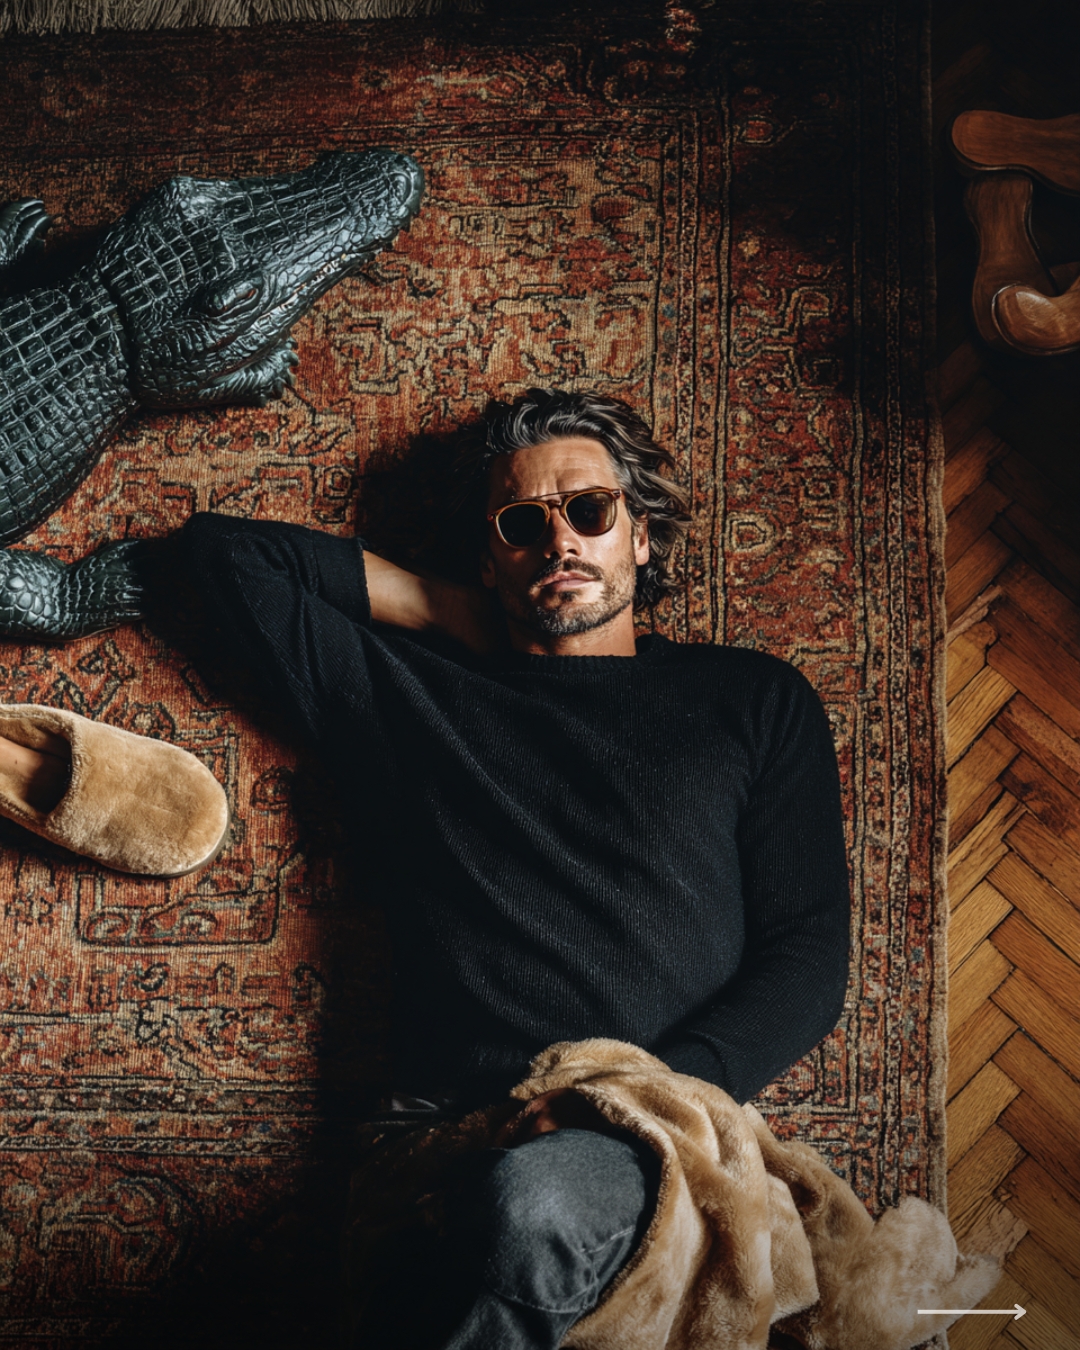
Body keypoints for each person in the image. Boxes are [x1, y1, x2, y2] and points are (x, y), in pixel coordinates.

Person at [0, 387, 850, 1349]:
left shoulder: (753, 699)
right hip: (443, 1134)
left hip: (653, 1130)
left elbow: (809, 961)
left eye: (590, 512)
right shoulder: (408, 693)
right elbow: (221, 556)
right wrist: (457, 610)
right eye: (522, 525)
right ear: (489, 555)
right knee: (466, 1248)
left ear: (641, 536)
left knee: (532, 1213)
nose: (559, 541)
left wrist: (630, 1104)